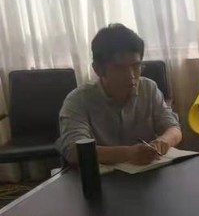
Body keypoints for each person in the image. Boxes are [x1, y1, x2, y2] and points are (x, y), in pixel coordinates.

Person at [57, 24, 182, 166]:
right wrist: (128, 153)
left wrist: (163, 142)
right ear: (98, 70)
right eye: (120, 68)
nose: (131, 76)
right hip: (102, 175)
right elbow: (73, 150)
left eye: (136, 66)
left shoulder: (149, 88)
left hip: (146, 172)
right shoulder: (78, 99)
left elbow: (174, 129)